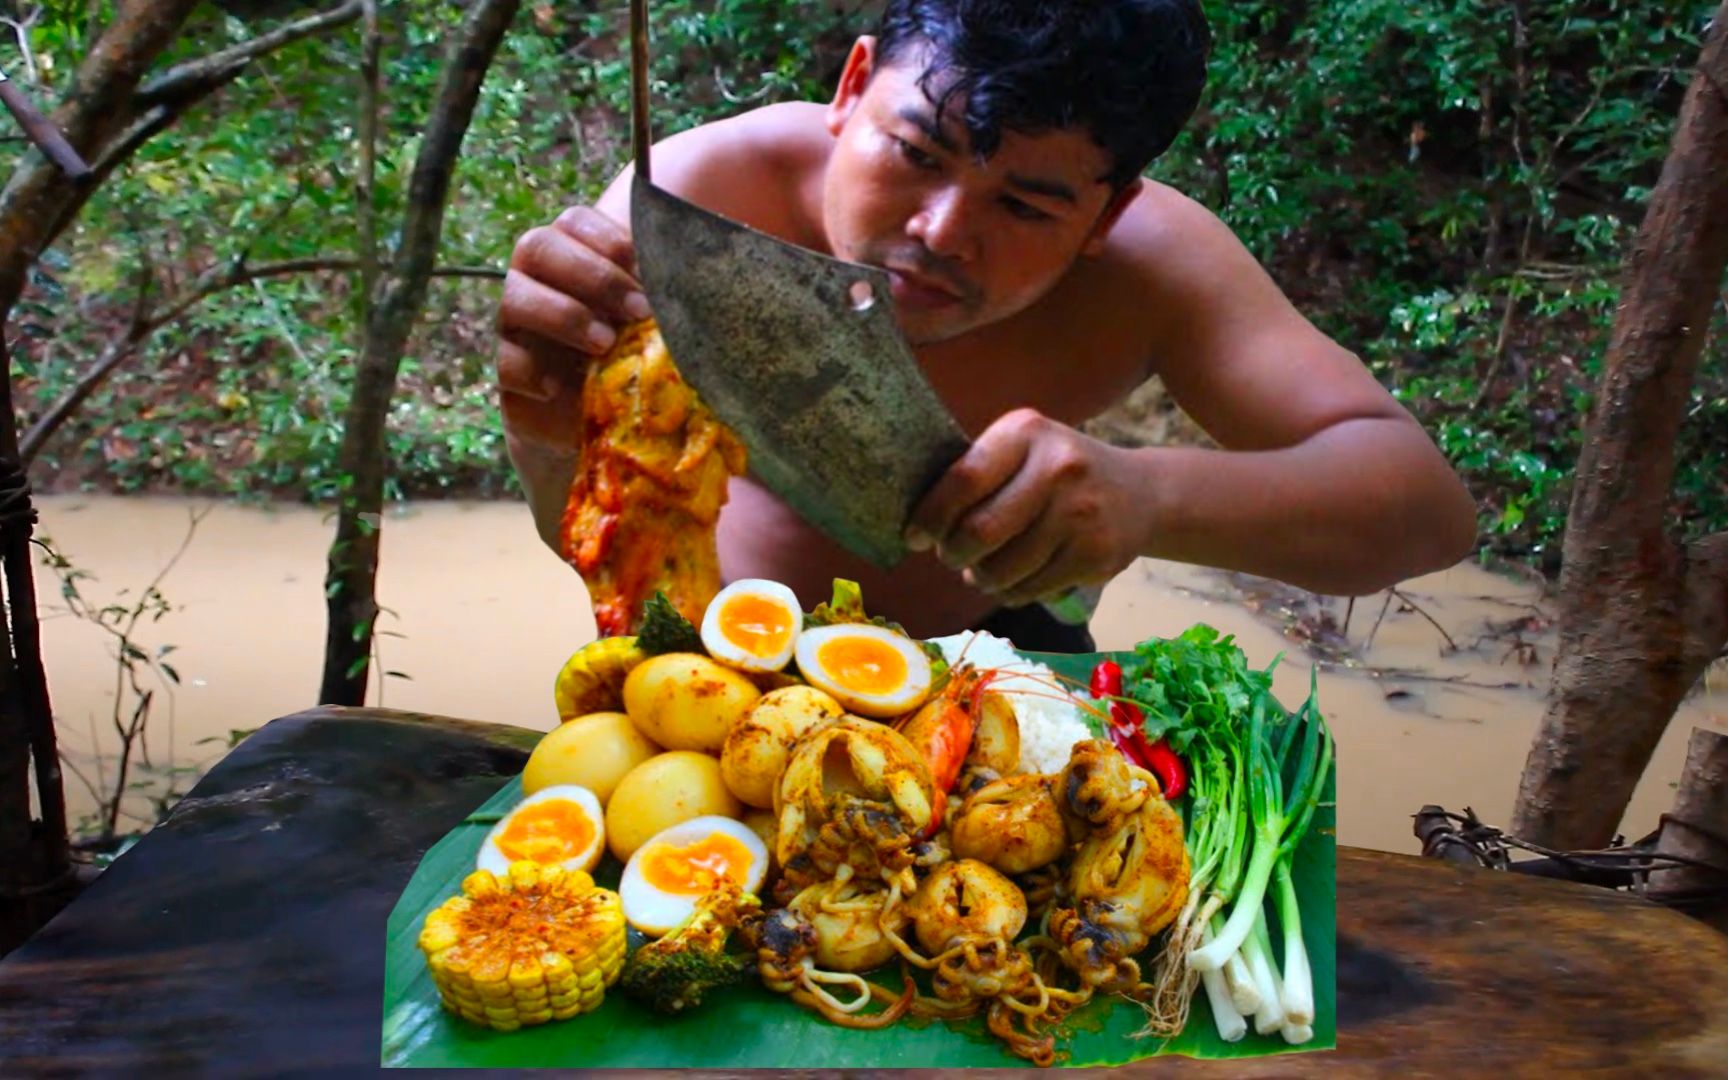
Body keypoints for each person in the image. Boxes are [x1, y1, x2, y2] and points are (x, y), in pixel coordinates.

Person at [495, 0, 1478, 652]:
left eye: (1027, 207)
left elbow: (1428, 515)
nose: (939, 234)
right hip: (701, 651)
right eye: (918, 152)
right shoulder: (697, 200)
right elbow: (578, 535)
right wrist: (545, 434)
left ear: (1109, 212)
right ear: (852, 87)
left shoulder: (1160, 267)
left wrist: (1154, 496)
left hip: (997, 672)